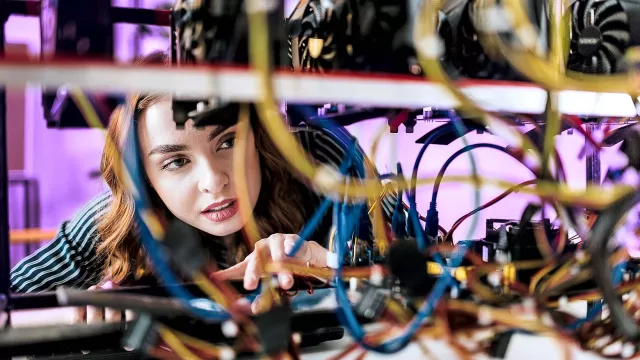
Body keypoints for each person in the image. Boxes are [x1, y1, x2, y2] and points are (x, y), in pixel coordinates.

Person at [9, 51, 399, 316]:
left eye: (228, 141)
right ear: (143, 180)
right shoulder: (116, 219)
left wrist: (332, 264)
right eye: (177, 162)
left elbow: (433, 261)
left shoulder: (318, 155)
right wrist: (81, 307)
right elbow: (12, 299)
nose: (214, 181)